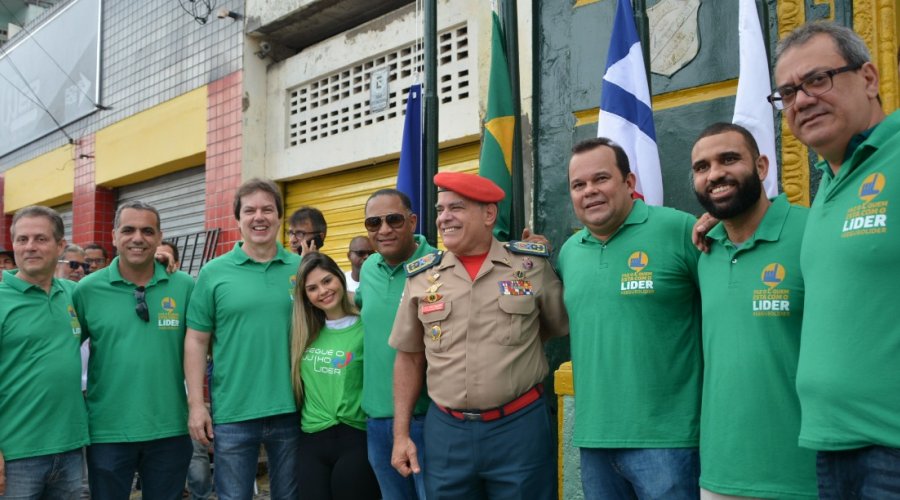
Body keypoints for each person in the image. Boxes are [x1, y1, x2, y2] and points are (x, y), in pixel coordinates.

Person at [772, 21, 900, 494]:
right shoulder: (827, 185)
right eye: (787, 93)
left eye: (818, 80)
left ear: (868, 79)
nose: (801, 100)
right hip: (831, 446)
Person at [390, 172, 568, 499]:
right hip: (447, 432)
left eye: (455, 208)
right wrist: (401, 435)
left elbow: (556, 326)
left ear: (488, 214)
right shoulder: (422, 276)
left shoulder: (530, 267)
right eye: (440, 210)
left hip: (519, 428)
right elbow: (409, 356)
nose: (444, 218)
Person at [558, 138, 702, 500]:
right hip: (594, 441)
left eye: (601, 179)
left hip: (669, 441)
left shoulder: (679, 230)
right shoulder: (569, 252)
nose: (589, 191)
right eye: (579, 185)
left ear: (629, 182)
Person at [690, 123, 817, 499]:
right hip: (719, 475)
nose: (715, 174)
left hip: (803, 476)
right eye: (702, 167)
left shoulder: (812, 230)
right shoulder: (705, 249)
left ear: (762, 167)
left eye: (729, 159)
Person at [185, 178, 301, 500]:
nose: (258, 217)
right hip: (233, 411)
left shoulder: (301, 268)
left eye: (267, 209)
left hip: (292, 408)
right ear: (237, 219)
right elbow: (195, 340)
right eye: (249, 210)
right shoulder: (214, 272)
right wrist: (197, 405)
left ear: (280, 217)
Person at [72, 201, 195, 499]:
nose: (137, 238)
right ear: (114, 236)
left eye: (147, 231)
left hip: (171, 428)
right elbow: (63, 352)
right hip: (107, 431)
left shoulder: (185, 286)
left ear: (159, 237)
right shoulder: (86, 290)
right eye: (128, 230)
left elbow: (203, 347)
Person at [0, 205, 89, 498]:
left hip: (71, 449)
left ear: (60, 245)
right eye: (22, 240)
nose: (30, 247)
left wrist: (157, 261)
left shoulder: (73, 293)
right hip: (16, 455)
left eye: (40, 238)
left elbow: (117, 289)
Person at [356, 189, 433, 499]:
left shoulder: (439, 265)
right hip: (376, 423)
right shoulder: (369, 270)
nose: (384, 229)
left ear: (412, 221)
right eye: (374, 222)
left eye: (394, 219)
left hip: (427, 419)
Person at [290, 252, 381, 499]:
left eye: (327, 281)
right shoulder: (303, 333)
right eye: (312, 288)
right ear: (306, 296)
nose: (323, 291)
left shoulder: (366, 327)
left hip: (355, 435)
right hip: (311, 438)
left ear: (340, 279)